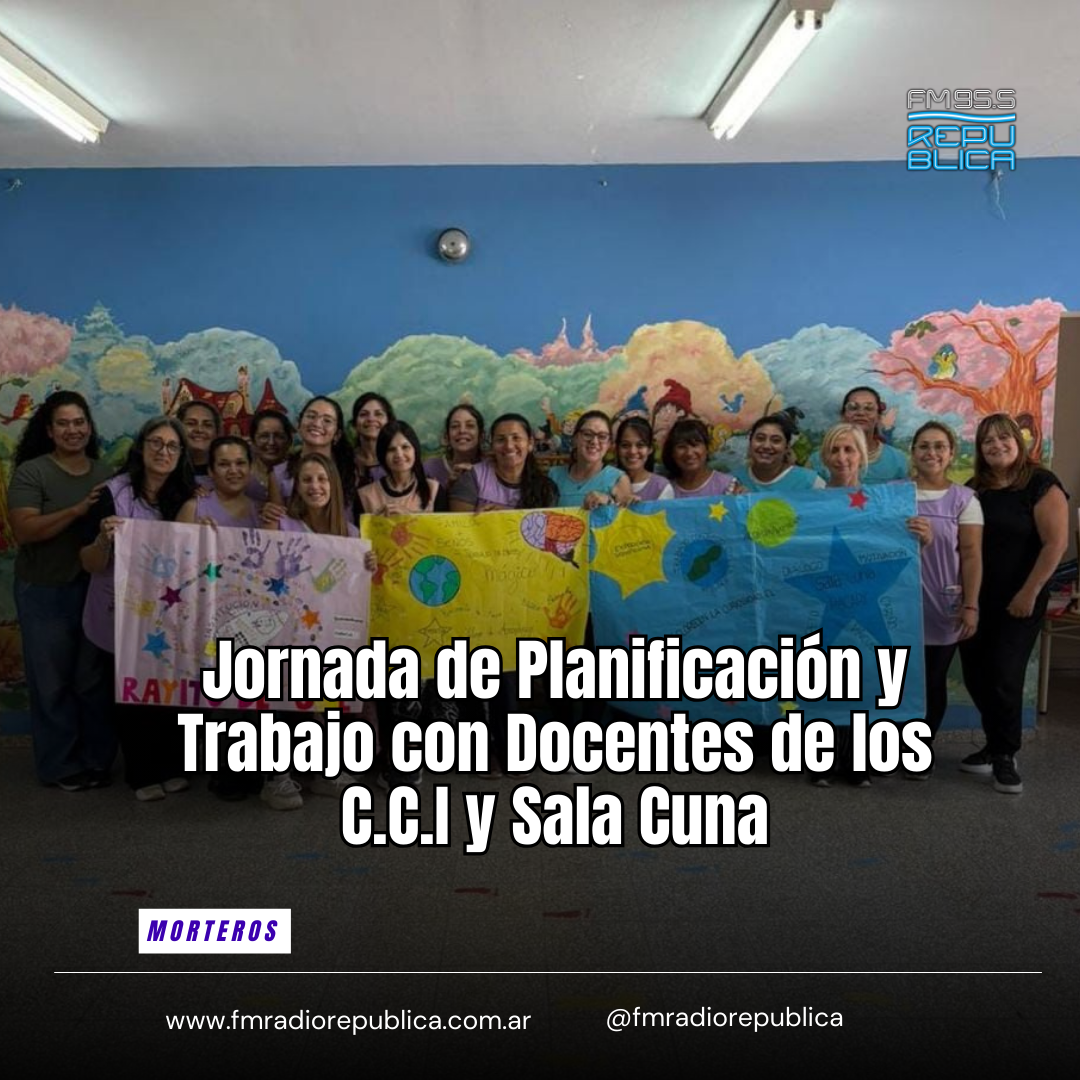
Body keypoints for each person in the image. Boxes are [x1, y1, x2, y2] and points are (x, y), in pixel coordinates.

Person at [79, 416, 197, 802]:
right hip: (122, 609)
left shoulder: (186, 497)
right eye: (156, 443)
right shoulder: (112, 494)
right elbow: (88, 562)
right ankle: (142, 773)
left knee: (171, 689)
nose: (164, 451)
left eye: (172, 446)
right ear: (141, 447)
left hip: (170, 612)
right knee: (133, 692)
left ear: (181, 454)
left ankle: (172, 766)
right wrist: (103, 539)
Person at [8, 391, 114, 791]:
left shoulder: (105, 472)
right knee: (51, 683)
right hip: (45, 591)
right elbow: (24, 530)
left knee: (92, 681)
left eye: (79, 422)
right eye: (64, 423)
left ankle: (97, 760)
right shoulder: (32, 472)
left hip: (94, 591)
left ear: (89, 426)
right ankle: (61, 766)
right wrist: (77, 510)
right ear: (50, 431)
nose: (73, 430)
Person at [958, 413, 1068, 794]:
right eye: (987, 440)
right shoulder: (974, 489)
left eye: (1003, 437)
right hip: (977, 598)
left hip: (1021, 598)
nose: (996, 445)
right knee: (976, 674)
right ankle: (993, 745)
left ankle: (1006, 754)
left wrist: (1029, 592)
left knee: (1004, 675)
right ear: (980, 449)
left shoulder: (1040, 483)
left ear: (1017, 441)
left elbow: (1056, 544)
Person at [450, 414, 558, 774]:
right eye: (500, 439)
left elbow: (547, 540)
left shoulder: (544, 487)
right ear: (490, 444)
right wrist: (485, 524)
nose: (508, 446)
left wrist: (503, 520)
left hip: (521, 592)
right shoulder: (472, 479)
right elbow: (457, 534)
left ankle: (511, 748)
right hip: (476, 590)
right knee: (475, 672)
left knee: (511, 674)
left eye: (516, 438)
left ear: (530, 443)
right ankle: (477, 752)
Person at [907, 422, 983, 777]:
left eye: (939, 446)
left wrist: (971, 605)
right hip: (898, 605)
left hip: (942, 606)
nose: (931, 452)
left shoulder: (964, 500)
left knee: (932, 682)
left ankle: (919, 751)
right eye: (924, 446)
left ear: (951, 453)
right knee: (898, 681)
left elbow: (971, 555)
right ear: (913, 452)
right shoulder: (894, 494)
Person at [268, 396, 357, 511]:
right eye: (311, 416)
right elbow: (278, 519)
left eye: (327, 420)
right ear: (299, 425)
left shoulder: (351, 470)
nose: (317, 423)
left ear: (337, 434)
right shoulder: (279, 475)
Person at [810, 387, 907, 483]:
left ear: (878, 417)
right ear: (843, 415)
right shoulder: (818, 460)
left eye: (868, 408)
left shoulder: (897, 460)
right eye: (853, 408)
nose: (860, 413)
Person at [548, 410, 632, 509]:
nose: (594, 441)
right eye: (587, 434)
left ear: (609, 444)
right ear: (575, 438)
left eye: (602, 437)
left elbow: (625, 516)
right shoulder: (554, 475)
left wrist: (609, 502)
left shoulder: (619, 479)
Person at [176, 436, 262, 529]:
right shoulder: (193, 509)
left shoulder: (262, 512)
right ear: (210, 471)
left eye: (240, 463)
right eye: (224, 464)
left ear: (251, 468)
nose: (233, 470)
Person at [360, 421, 442, 515]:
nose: (399, 454)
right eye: (391, 449)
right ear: (383, 455)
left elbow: (445, 525)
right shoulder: (365, 496)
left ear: (415, 450)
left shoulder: (434, 490)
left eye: (405, 447)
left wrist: (408, 516)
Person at [734, 413, 825, 492]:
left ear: (787, 447)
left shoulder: (810, 483)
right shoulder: (733, 482)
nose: (766, 446)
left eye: (776, 440)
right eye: (760, 438)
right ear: (750, 443)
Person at [663, 418, 741, 498]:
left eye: (695, 445)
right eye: (681, 447)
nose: (689, 453)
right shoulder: (664, 490)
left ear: (707, 448)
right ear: (672, 453)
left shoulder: (728, 486)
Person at [425, 404, 484, 491]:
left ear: (481, 436)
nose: (462, 431)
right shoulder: (430, 468)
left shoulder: (491, 468)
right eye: (455, 426)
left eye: (470, 425)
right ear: (446, 437)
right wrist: (448, 486)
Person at [614, 416, 673, 501]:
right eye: (625, 445)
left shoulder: (661, 487)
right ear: (616, 448)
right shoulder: (606, 482)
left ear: (650, 449)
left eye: (640, 445)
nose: (633, 451)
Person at [247, 408, 294, 503]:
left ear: (289, 441)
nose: (271, 442)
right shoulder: (242, 472)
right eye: (264, 436)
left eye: (278, 436)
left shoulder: (299, 471)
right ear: (252, 440)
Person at [351, 392, 394, 488]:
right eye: (363, 414)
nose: (371, 419)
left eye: (378, 414)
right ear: (354, 424)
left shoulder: (398, 459)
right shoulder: (343, 460)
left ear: (389, 422)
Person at [177, 399, 222, 476]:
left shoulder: (228, 473)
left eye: (207, 425)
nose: (199, 430)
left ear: (217, 432)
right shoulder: (165, 471)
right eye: (191, 423)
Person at [820, 422, 868, 489]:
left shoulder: (872, 495)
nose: (841, 458)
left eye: (848, 450)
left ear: (862, 456)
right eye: (834, 451)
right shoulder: (813, 495)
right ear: (824, 458)